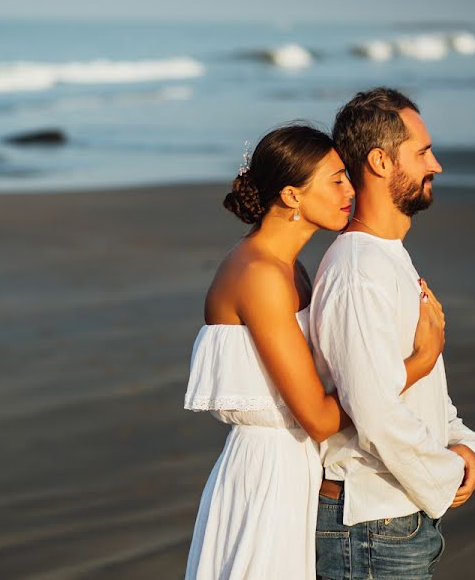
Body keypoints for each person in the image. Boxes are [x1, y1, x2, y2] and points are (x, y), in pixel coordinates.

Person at [183, 123, 448, 579]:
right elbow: (321, 418)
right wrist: (417, 363)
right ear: (291, 195)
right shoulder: (261, 275)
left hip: (298, 464)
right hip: (267, 475)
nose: (351, 190)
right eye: (336, 180)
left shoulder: (293, 270)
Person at [312, 88, 475, 580]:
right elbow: (374, 408)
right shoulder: (358, 269)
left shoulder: (386, 256)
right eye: (423, 152)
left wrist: (463, 443)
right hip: (372, 522)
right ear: (382, 161)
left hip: (397, 513)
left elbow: (423, 385)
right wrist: (445, 472)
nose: (437, 165)